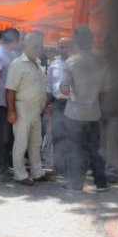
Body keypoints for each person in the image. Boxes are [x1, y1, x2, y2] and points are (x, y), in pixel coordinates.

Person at [60, 26, 107, 192]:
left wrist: (74, 98)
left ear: (76, 43)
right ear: (91, 41)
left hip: (74, 113)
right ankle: (101, 183)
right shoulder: (100, 61)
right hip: (94, 112)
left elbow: (65, 89)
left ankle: (75, 184)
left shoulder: (71, 62)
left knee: (75, 149)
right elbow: (104, 87)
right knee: (95, 149)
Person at [6, 32, 51, 186]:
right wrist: (11, 111)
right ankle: (19, 174)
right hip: (22, 109)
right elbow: (10, 90)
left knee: (35, 143)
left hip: (36, 110)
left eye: (40, 46)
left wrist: (44, 108)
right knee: (21, 143)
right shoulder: (17, 64)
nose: (39, 49)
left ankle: (37, 172)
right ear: (25, 46)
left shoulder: (37, 64)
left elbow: (40, 88)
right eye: (35, 46)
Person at [0, 27, 20, 178]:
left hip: (5, 100)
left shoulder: (7, 55)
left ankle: (1, 166)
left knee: (4, 136)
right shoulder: (0, 56)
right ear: (13, 40)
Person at [45, 37, 72, 175]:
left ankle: (72, 167)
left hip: (73, 104)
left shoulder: (76, 63)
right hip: (58, 104)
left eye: (66, 46)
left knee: (72, 135)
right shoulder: (53, 65)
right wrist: (46, 105)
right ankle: (59, 167)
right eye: (61, 47)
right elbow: (49, 86)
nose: (63, 50)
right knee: (58, 135)